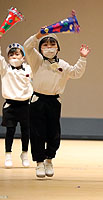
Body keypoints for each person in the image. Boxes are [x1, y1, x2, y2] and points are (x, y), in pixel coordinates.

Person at [24, 30, 90, 178]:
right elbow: (27, 46)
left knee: (53, 133)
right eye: (45, 45)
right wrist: (38, 35)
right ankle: (39, 163)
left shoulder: (63, 64)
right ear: (40, 48)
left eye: (52, 44)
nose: (49, 47)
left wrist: (82, 58)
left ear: (58, 48)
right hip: (37, 100)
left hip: (54, 101)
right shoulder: (36, 60)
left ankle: (49, 160)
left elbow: (75, 73)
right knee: (37, 133)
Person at [0, 41, 33, 168]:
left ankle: (24, 153)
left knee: (26, 131)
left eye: (17, 54)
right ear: (8, 58)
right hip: (10, 106)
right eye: (11, 55)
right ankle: (8, 154)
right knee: (10, 131)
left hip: (25, 105)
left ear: (23, 57)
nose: (14, 57)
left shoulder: (29, 69)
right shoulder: (5, 69)